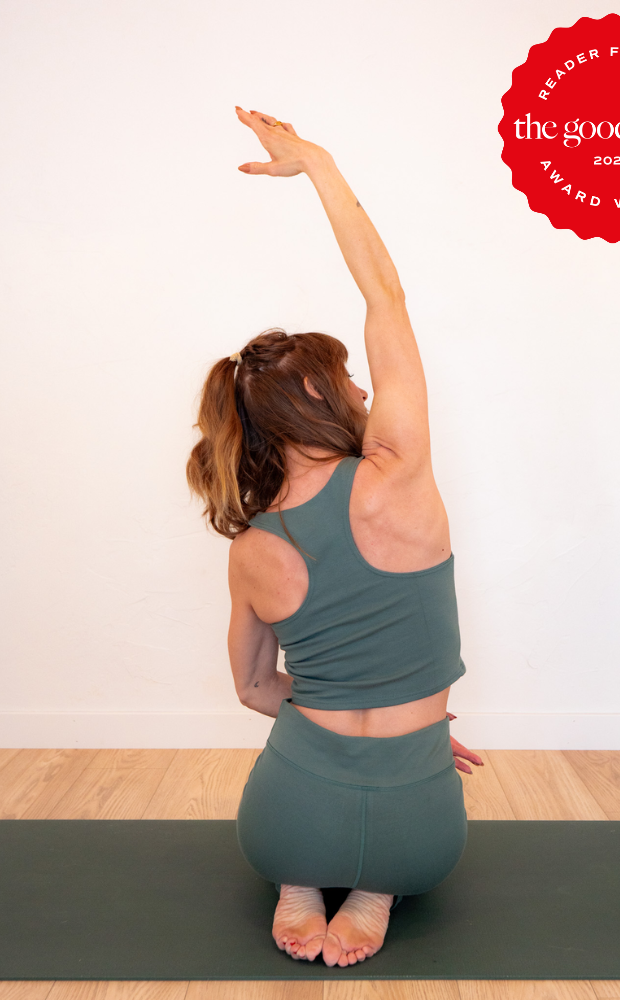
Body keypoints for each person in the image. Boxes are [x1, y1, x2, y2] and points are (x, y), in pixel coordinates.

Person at [186, 106, 483, 969]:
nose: (361, 388)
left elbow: (251, 690)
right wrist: (317, 164)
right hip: (422, 831)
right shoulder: (399, 473)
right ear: (318, 397)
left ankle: (300, 881)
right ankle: (376, 889)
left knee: (301, 826)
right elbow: (383, 294)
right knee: (394, 853)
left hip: (284, 815)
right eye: (347, 378)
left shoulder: (251, 544)